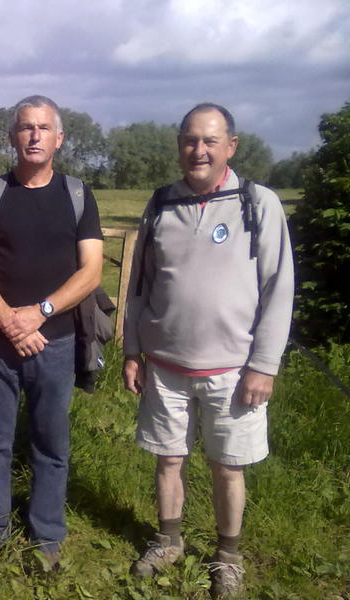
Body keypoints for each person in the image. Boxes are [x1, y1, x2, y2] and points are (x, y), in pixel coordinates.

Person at [122, 103, 294, 598]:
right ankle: (168, 541)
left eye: (210, 141)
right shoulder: (161, 203)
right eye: (190, 140)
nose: (199, 150)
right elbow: (139, 286)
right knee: (167, 460)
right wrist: (133, 350)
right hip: (165, 367)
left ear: (230, 147)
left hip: (234, 371)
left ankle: (228, 556)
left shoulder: (258, 203)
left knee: (227, 466)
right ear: (180, 145)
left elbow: (279, 287)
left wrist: (265, 364)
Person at [0, 95, 103, 570]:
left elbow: (91, 271)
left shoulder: (78, 195)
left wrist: (40, 313)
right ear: (12, 137)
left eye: (43, 128)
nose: (34, 135)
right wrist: (9, 320)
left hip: (55, 342)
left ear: (59, 139)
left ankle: (46, 537)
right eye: (26, 127)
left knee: (51, 443)